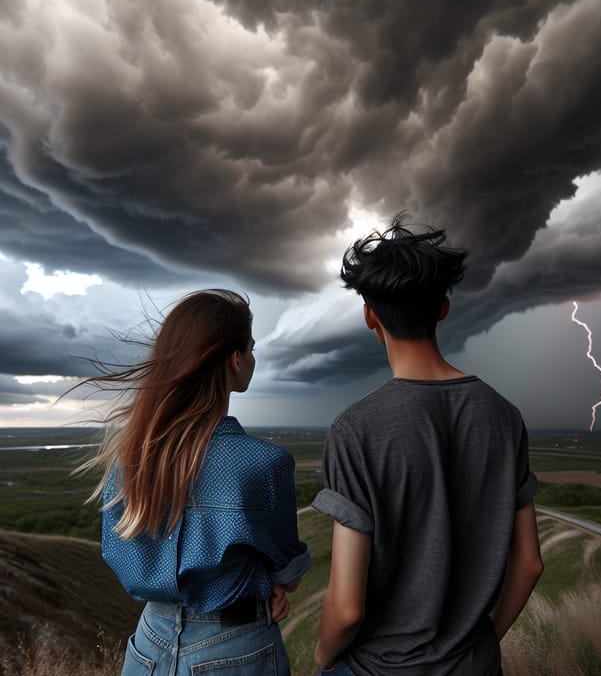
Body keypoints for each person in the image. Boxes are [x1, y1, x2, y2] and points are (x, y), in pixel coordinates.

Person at [311, 216, 543, 675]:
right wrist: (483, 643)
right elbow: (530, 563)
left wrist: (321, 659)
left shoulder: (354, 430)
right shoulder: (504, 416)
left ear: (369, 314)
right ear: (443, 309)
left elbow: (347, 608)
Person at [76, 289, 311, 675]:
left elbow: (121, 552)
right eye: (250, 349)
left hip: (148, 643)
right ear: (235, 360)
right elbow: (288, 571)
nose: (251, 358)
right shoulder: (265, 463)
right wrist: (269, 585)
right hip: (236, 645)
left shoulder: (131, 456)